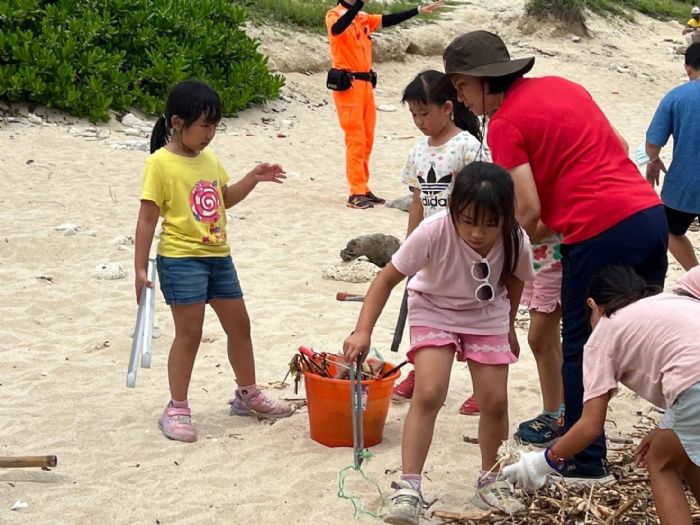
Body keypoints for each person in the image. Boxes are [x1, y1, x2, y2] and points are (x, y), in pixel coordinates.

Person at [439, 30, 668, 482]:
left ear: (478, 80)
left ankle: (585, 461)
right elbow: (619, 146)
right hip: (649, 215)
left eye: (460, 87)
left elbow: (527, 211)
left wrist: (546, 230)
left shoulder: (505, 123)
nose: (461, 99)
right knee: (651, 334)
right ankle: (682, 439)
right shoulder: (563, 85)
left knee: (583, 345)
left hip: (599, 231)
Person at [344, 161, 535, 522]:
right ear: (452, 210)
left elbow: (514, 281)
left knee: (494, 400)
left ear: (506, 217)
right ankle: (409, 486)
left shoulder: (515, 238)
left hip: (486, 310)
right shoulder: (433, 231)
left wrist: (508, 327)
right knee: (430, 390)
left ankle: (490, 479)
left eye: (489, 223)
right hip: (433, 306)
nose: (477, 233)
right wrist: (363, 329)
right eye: (468, 220)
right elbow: (386, 279)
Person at [134, 80, 294, 443]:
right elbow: (147, 218)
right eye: (204, 125)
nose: (210, 134)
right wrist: (140, 268)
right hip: (180, 260)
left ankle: (247, 394)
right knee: (189, 335)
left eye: (215, 126)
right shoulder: (159, 164)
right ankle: (176, 407)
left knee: (240, 325)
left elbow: (223, 200)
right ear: (177, 122)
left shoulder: (208, 160)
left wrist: (253, 178)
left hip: (218, 257)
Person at [502, 265, 700, 525]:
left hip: (693, 388)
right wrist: (667, 426)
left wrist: (541, 462)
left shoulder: (605, 331)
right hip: (691, 391)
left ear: (593, 305)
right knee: (679, 453)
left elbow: (590, 425)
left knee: (661, 461)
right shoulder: (674, 299)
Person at [390, 70, 486, 412]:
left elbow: (480, 195)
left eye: (424, 113)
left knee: (473, 313)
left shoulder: (467, 147)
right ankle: (420, 370)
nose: (419, 121)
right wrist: (410, 243)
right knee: (425, 309)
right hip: (429, 246)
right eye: (413, 115)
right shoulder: (417, 152)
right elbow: (418, 199)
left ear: (448, 108)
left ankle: (481, 385)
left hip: (464, 245)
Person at [325, 0, 444, 209]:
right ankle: (355, 192)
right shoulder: (334, 15)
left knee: (367, 138)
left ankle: (363, 187)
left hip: (365, 85)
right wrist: (358, 5)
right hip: (348, 86)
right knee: (356, 139)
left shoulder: (362, 17)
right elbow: (338, 29)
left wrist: (417, 10)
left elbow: (388, 20)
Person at [645, 43, 700, 271]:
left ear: (687, 68)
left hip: (685, 184)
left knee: (670, 230)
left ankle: (696, 277)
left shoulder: (677, 97)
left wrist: (654, 160)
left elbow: (653, 143)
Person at [513, 233, 565, 446]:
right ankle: (561, 408)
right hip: (535, 256)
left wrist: (512, 233)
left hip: (553, 256)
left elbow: (544, 217)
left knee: (539, 339)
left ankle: (555, 416)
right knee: (550, 338)